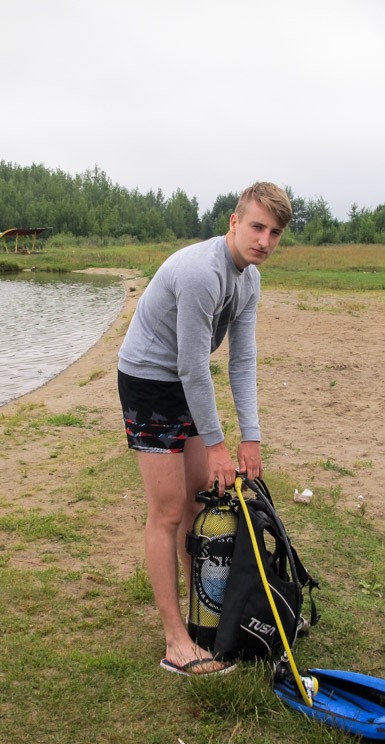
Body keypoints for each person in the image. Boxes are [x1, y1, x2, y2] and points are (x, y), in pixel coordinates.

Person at [117, 182, 292, 676]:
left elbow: (242, 359)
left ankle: (204, 620)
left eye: (274, 233)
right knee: (168, 511)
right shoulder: (200, 273)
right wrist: (217, 445)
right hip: (149, 381)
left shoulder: (249, 279)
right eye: (257, 226)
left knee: (198, 505)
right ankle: (176, 643)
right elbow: (194, 367)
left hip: (182, 379)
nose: (264, 240)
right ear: (234, 222)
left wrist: (250, 434)